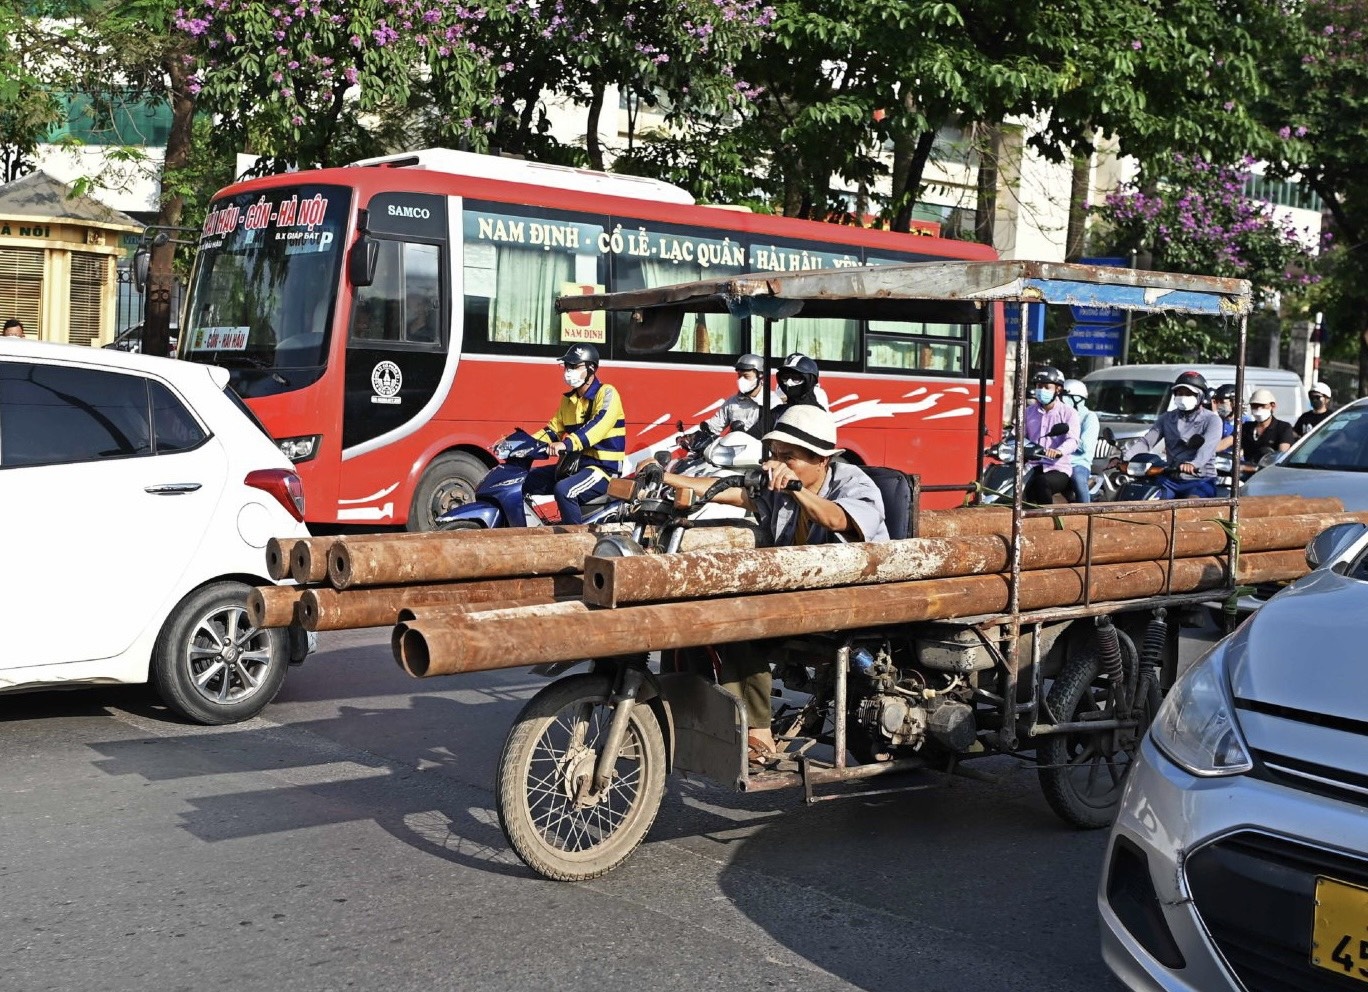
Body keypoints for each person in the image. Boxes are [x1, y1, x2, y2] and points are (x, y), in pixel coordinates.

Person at [656, 405, 888, 761]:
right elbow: (728, 491)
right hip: (794, 595)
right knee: (702, 618)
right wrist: (668, 478)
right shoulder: (779, 485)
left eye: (789, 457)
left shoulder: (853, 482)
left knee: (744, 624)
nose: (777, 464)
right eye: (776, 455)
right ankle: (687, 712)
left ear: (822, 459)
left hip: (853, 601)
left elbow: (838, 519)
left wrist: (796, 488)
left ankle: (759, 732)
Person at [526, 344, 627, 523]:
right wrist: (521, 444)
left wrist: (566, 444)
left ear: (591, 368)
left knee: (565, 490)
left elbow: (598, 426)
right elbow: (552, 430)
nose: (568, 371)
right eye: (566, 366)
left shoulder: (607, 393)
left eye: (574, 366)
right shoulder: (568, 401)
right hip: (575, 467)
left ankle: (573, 541)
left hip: (602, 470)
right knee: (523, 480)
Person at [1118, 370, 1223, 497]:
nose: (1183, 397)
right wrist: (1124, 458)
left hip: (1200, 480)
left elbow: (1207, 447)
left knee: (1191, 507)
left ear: (1200, 396)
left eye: (1189, 393)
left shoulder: (1212, 420)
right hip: (1170, 478)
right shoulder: (1167, 418)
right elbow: (1146, 442)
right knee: (1149, 500)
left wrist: (1193, 464)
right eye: (1180, 393)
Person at [1023, 366, 1081, 505]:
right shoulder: (1027, 412)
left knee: (1041, 483)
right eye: (1039, 386)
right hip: (1031, 465)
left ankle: (1048, 519)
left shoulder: (1069, 413)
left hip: (1057, 467)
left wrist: (1059, 451)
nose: (1041, 390)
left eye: (1046, 387)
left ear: (1058, 389)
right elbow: (1016, 435)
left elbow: (1073, 440)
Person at [680, 353, 766, 444]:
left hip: (759, 453)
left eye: (746, 376)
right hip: (733, 451)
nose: (741, 380)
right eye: (739, 376)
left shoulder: (771, 402)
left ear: (760, 376)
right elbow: (716, 425)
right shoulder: (733, 401)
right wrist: (699, 432)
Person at [762, 352, 829, 432]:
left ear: (809, 380)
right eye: (785, 377)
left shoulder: (819, 415)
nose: (789, 382)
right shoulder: (777, 412)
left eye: (796, 378)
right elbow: (755, 434)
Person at [1240, 387, 1296, 474]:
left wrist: (1253, 468)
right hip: (1245, 477)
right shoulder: (1246, 427)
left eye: (1262, 406)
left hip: (1270, 475)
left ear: (1272, 406)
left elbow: (1281, 457)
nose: (1258, 409)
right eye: (1254, 406)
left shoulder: (1283, 427)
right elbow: (1227, 442)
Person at [1061, 378, 1098, 503]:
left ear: (1078, 398)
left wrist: (1067, 433)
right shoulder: (1060, 415)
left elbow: (1084, 447)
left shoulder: (1089, 418)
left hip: (1078, 463)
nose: (1062, 400)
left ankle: (1086, 511)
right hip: (1057, 461)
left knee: (1078, 478)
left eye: (1066, 396)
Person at [1211, 383, 1241, 453]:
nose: (1218, 405)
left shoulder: (1244, 422)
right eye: (1217, 402)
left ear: (1234, 403)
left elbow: (1221, 446)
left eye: (1222, 401)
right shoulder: (1217, 421)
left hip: (1234, 461)